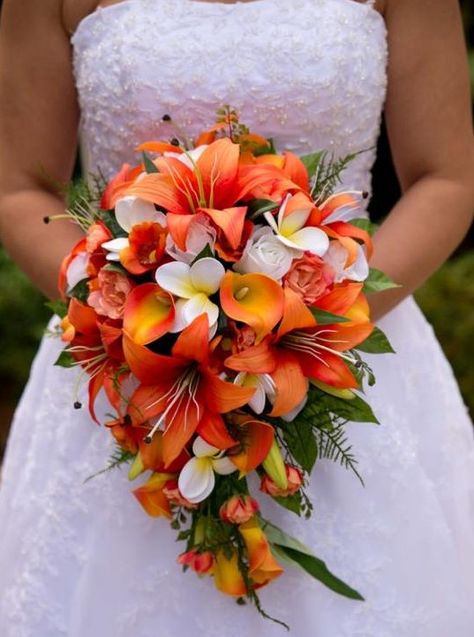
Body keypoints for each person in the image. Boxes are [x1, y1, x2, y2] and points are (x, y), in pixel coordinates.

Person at [0, 0, 473, 635]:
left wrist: (307, 319)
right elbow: (18, 190)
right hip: (138, 369)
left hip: (337, 353)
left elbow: (447, 179)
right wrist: (123, 311)